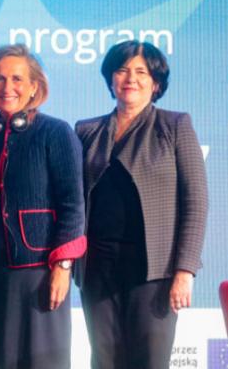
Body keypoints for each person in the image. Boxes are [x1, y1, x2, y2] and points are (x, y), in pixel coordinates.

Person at [0, 44, 86, 369]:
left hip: (38, 272)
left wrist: (62, 267)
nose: (6, 86)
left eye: (17, 79)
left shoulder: (56, 132)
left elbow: (72, 204)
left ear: (34, 86)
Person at [75, 40, 208, 369]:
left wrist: (185, 270)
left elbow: (196, 202)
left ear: (156, 83)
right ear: (110, 80)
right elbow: (73, 201)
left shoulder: (175, 125)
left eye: (141, 72)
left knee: (150, 361)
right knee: (104, 360)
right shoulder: (86, 131)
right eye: (122, 70)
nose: (130, 78)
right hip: (98, 268)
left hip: (155, 271)